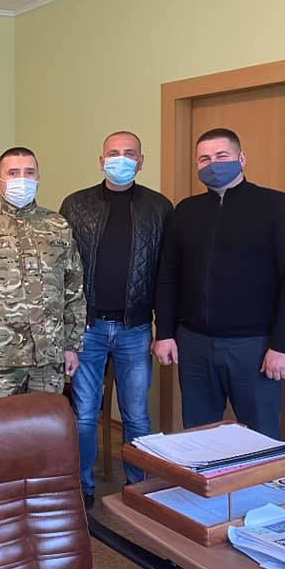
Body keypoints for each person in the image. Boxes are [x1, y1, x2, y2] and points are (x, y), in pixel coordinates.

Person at [153, 128, 285, 438]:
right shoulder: (185, 212)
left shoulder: (277, 207)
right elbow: (168, 277)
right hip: (194, 344)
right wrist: (165, 332)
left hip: (254, 347)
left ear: (241, 158)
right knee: (200, 437)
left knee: (261, 439)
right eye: (204, 158)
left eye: (221, 155)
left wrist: (282, 344)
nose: (213, 164)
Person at [61, 131, 171, 508]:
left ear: (141, 161)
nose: (120, 159)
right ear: (101, 160)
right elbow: (62, 269)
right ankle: (82, 488)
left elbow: (167, 274)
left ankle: (138, 487)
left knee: (136, 415)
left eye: (129, 153)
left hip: (134, 328)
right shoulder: (76, 205)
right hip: (87, 328)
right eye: (113, 153)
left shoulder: (158, 208)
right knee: (84, 414)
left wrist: (164, 327)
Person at [0, 146, 86, 399]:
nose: (22, 179)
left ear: (38, 178)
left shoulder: (57, 226)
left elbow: (74, 289)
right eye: (13, 173)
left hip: (48, 357)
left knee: (46, 423)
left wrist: (71, 345)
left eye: (29, 172)